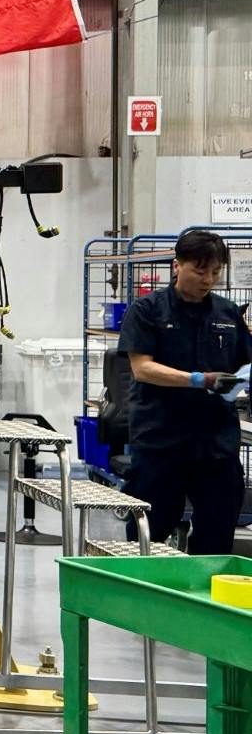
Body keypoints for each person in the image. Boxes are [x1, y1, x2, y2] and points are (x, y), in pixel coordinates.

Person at [117, 228, 250, 555]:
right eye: (200, 271)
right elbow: (142, 368)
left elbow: (245, 365)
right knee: (149, 532)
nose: (208, 280)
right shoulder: (147, 310)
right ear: (178, 266)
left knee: (217, 533)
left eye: (216, 272)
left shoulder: (228, 314)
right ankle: (142, 596)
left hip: (215, 442)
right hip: (161, 439)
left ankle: (202, 600)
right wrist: (198, 380)